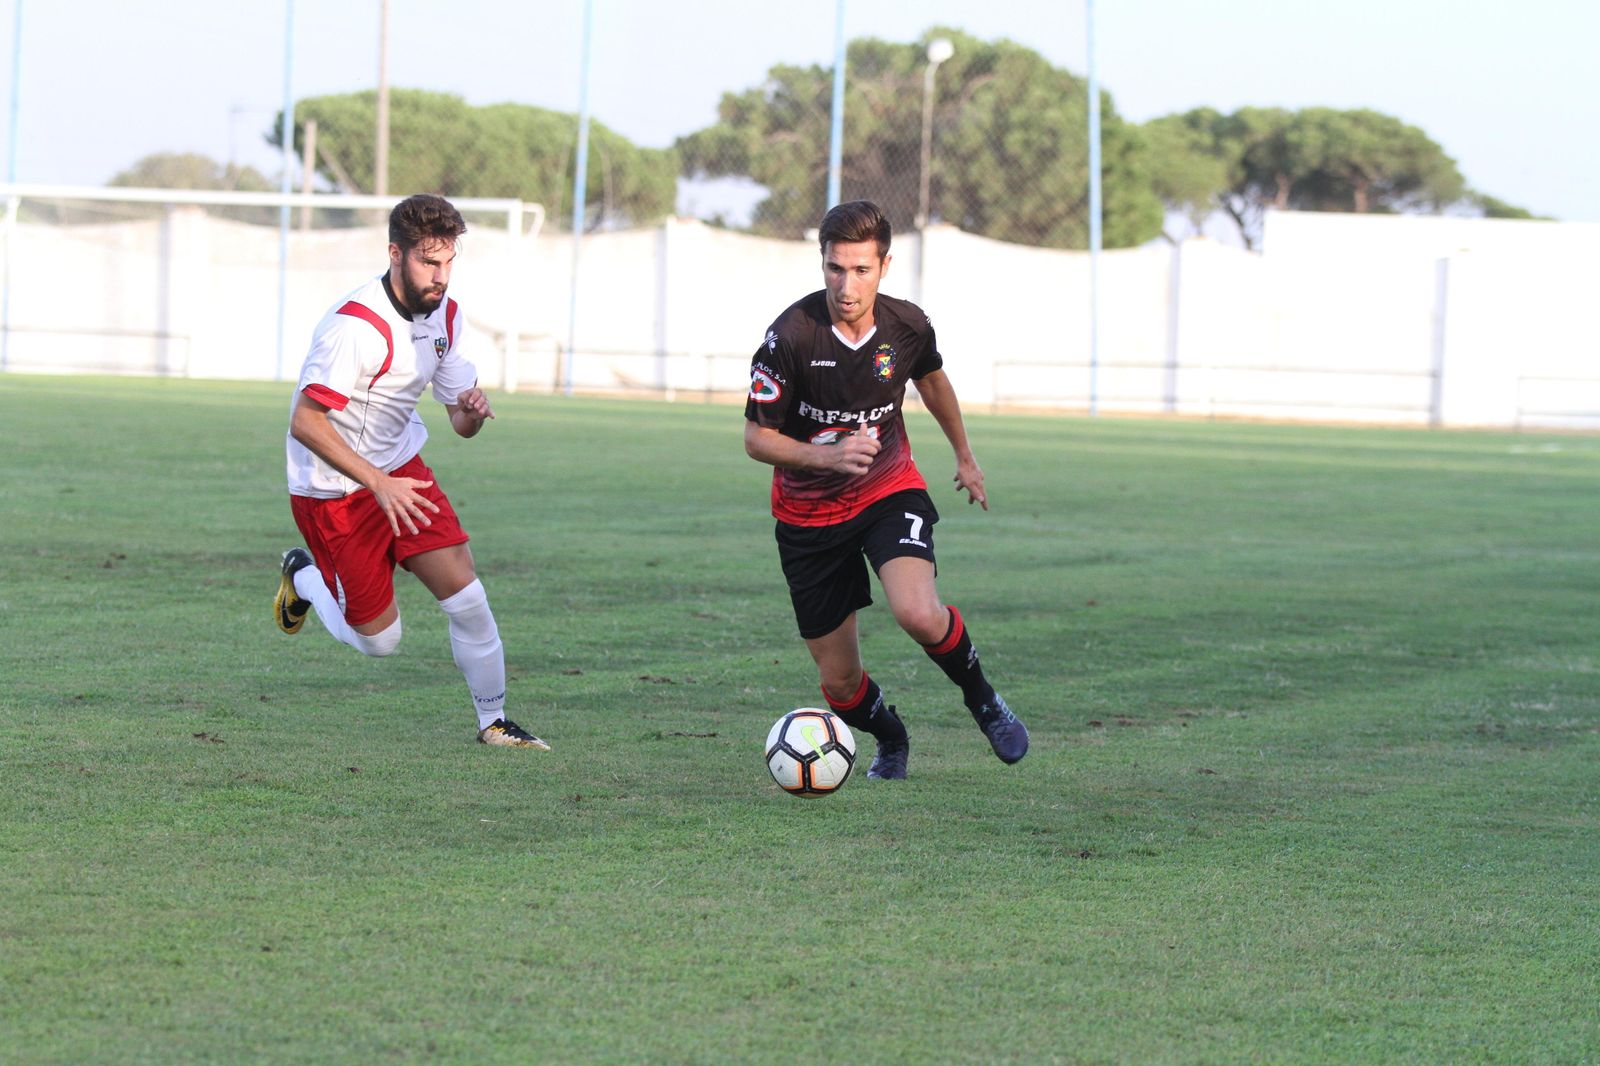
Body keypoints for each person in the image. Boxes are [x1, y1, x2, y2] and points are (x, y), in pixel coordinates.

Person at [743, 199, 1027, 779]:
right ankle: (890, 735)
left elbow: (933, 381)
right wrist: (824, 455)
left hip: (886, 489)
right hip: (806, 517)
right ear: (821, 262)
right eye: (835, 268)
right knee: (840, 682)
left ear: (885, 265)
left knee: (919, 613)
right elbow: (756, 438)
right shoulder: (789, 337)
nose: (846, 285)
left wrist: (965, 457)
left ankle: (984, 700)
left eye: (861, 270)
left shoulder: (907, 326)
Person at [273, 193, 549, 750]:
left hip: (403, 472)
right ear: (395, 254)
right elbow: (306, 422)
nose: (440, 275)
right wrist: (377, 484)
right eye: (428, 261)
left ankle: (493, 721)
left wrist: (470, 412)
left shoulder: (445, 315)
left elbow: (457, 422)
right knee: (380, 642)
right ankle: (302, 576)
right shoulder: (355, 326)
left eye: (448, 261)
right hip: (335, 491)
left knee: (468, 599)